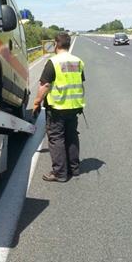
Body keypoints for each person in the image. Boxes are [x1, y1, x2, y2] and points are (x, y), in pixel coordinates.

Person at [33, 32, 85, 182]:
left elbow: (45, 85)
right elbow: (80, 84)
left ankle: (60, 172)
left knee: (56, 138)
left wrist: (36, 102)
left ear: (56, 44)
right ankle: (74, 168)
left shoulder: (53, 62)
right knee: (72, 136)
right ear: (68, 44)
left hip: (57, 108)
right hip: (74, 106)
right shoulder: (78, 61)